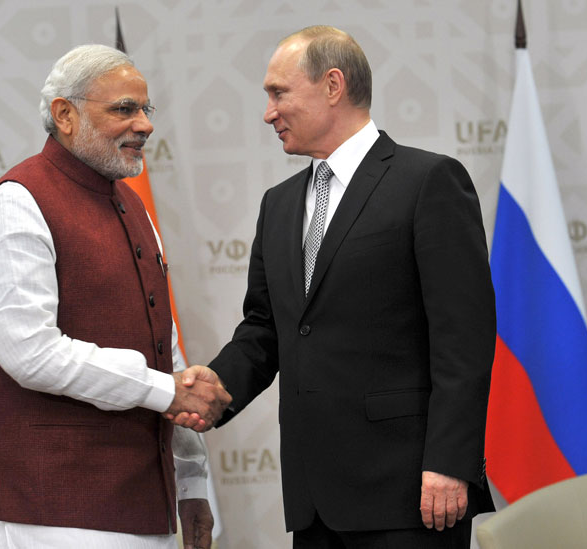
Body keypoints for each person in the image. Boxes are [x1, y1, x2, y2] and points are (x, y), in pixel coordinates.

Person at [177, 25, 496, 547]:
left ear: (332, 85)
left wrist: (449, 462)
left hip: (412, 494)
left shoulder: (429, 182)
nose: (267, 112)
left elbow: (465, 337)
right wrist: (211, 389)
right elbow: (265, 330)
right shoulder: (278, 204)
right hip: (314, 501)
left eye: (278, 93)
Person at [0, 44, 230, 549]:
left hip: (145, 502)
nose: (146, 125)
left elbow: (164, 350)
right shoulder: (17, 202)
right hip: (51, 510)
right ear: (64, 114)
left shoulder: (131, 203)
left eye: (145, 110)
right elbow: (30, 353)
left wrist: (192, 481)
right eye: (124, 109)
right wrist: (166, 390)